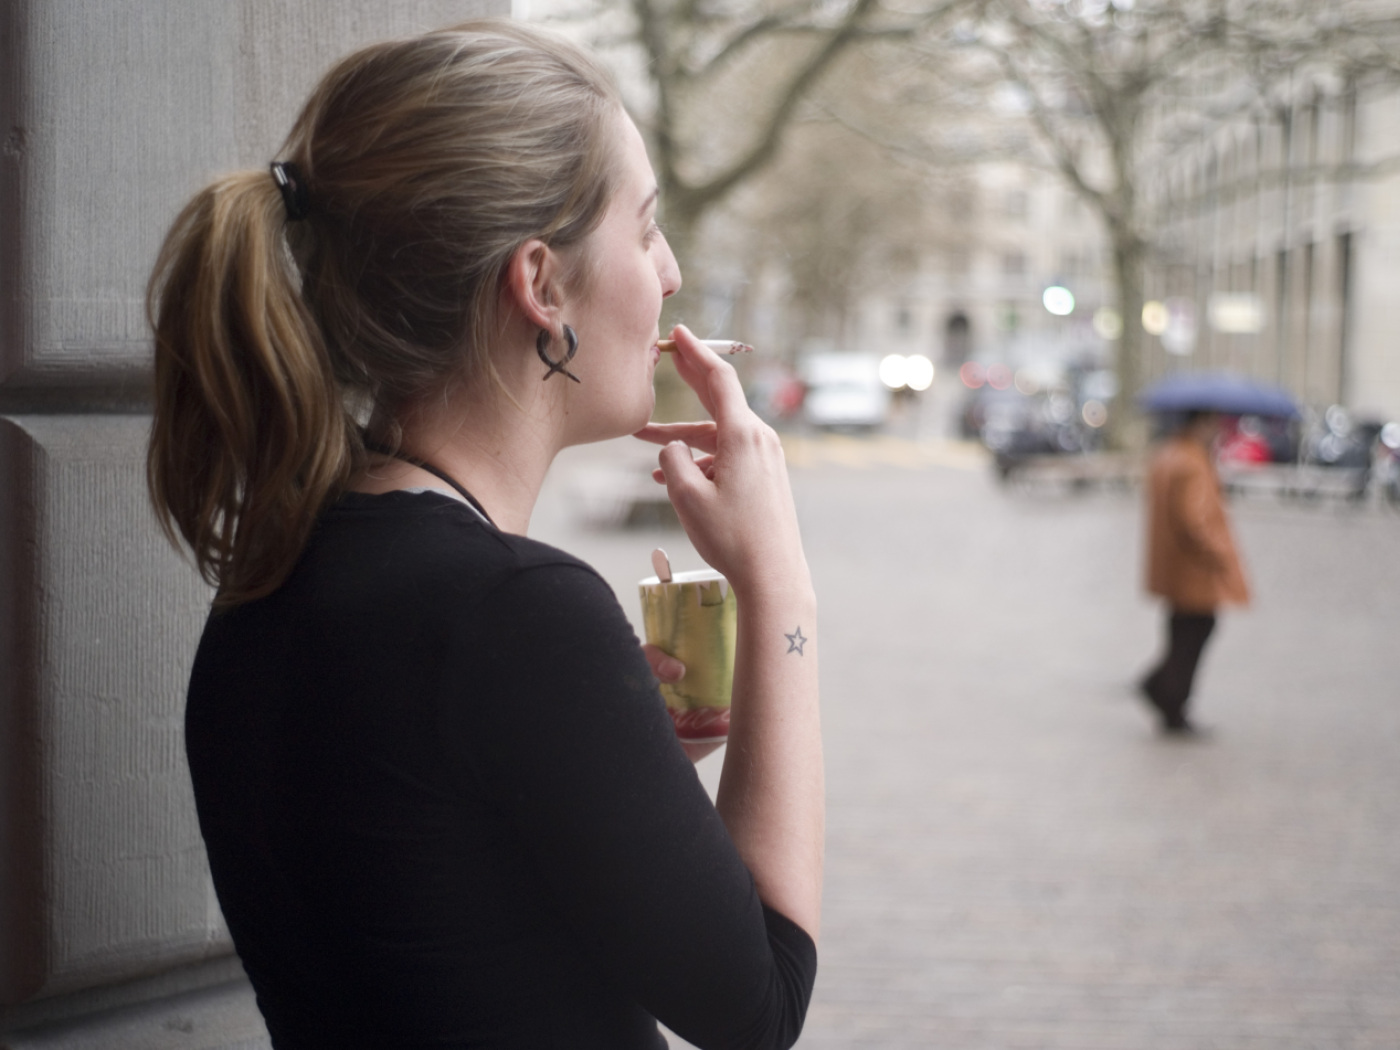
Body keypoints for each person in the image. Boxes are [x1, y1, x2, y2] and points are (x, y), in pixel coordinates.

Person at [145, 20, 821, 1050]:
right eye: (644, 230)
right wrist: (777, 586)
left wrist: (602, 761)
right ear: (541, 285)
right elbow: (757, 1010)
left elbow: (438, 908)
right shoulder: (512, 611)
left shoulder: (282, 573)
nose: (671, 274)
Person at [1139, 410, 1250, 735]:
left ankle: (1162, 691)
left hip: (1176, 569)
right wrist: (1219, 555)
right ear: (1199, 424)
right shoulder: (1192, 462)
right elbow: (1195, 519)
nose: (1217, 431)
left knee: (1181, 634)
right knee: (1194, 634)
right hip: (1194, 571)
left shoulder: (1169, 454)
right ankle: (1169, 699)